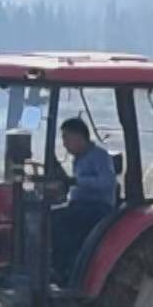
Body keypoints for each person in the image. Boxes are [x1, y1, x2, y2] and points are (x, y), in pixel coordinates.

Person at [51, 117, 116, 278]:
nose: (64, 143)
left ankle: (64, 268)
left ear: (79, 136)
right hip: (79, 206)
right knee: (47, 214)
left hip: (97, 208)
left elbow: (107, 182)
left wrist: (77, 181)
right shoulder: (78, 159)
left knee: (55, 221)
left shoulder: (99, 156)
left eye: (66, 137)